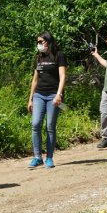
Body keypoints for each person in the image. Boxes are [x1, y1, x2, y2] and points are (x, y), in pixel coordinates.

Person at [26, 32, 67, 169]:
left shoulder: (59, 55)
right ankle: (37, 157)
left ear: (48, 42)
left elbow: (62, 76)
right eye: (37, 42)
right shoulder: (39, 57)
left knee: (50, 126)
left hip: (53, 96)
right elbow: (35, 79)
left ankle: (49, 157)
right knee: (36, 124)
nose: (38, 44)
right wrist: (30, 98)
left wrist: (59, 95)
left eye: (40, 41)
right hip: (39, 95)